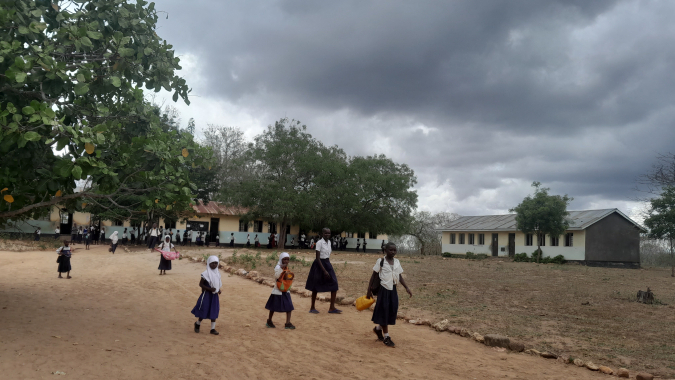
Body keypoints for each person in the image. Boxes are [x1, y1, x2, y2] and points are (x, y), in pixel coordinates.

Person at [366, 242, 413, 348]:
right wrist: (368, 291)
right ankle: (386, 337)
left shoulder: (397, 262)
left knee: (392, 310)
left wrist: (407, 288)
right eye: (390, 250)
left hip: (393, 290)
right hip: (383, 290)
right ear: (385, 250)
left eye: (394, 250)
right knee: (384, 311)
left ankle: (378, 329)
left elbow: (399, 276)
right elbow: (373, 276)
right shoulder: (381, 261)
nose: (393, 252)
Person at [305, 228, 341, 314]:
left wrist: (327, 268)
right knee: (315, 286)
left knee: (334, 284)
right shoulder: (319, 243)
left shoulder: (329, 242)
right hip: (319, 264)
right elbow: (317, 257)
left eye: (329, 233)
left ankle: (332, 308)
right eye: (326, 233)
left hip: (327, 263)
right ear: (322, 233)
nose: (327, 235)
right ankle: (312, 307)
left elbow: (327, 255)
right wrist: (324, 271)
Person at [191, 256, 222, 335]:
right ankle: (198, 323)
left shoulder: (217, 273)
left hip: (214, 295)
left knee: (214, 310)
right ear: (209, 264)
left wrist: (218, 290)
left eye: (216, 263)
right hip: (207, 295)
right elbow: (201, 284)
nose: (214, 265)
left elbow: (217, 283)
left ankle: (212, 329)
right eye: (212, 263)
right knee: (204, 309)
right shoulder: (205, 273)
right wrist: (209, 289)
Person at [265, 252, 295, 329]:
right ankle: (269, 320)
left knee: (289, 306)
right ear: (281, 259)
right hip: (277, 290)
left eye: (287, 260)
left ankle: (288, 323)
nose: (286, 261)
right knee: (273, 307)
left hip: (285, 290)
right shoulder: (278, 267)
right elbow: (276, 276)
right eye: (284, 259)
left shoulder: (286, 268)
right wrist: (281, 268)